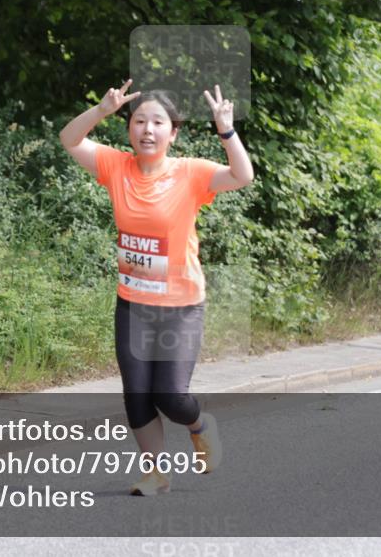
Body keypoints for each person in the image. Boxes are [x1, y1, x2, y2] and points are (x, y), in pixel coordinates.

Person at [59, 79, 254, 495]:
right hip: (132, 302)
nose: (147, 129)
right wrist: (100, 110)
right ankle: (155, 473)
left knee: (169, 394)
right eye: (139, 121)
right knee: (137, 393)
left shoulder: (191, 173)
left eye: (158, 122)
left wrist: (226, 129)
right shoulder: (115, 167)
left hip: (181, 305)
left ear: (173, 132)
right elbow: (69, 139)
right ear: (129, 128)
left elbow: (243, 175)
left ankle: (201, 426)